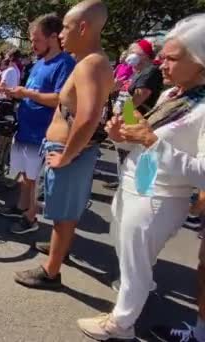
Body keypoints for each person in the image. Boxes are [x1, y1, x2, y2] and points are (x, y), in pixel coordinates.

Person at [76, 13, 205, 340]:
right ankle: (135, 297)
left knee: (135, 265)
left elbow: (201, 171)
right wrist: (121, 134)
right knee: (128, 251)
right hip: (141, 183)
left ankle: (120, 325)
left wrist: (150, 141)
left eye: (172, 59)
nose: (162, 65)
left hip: (162, 196)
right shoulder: (173, 95)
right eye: (162, 58)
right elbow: (144, 140)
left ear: (201, 64)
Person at [14, 0, 114, 289]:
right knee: (63, 213)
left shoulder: (91, 64)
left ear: (83, 27)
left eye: (66, 28)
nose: (60, 34)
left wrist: (67, 155)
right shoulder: (94, 61)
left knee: (62, 214)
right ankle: (59, 250)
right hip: (69, 150)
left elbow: (89, 116)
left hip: (68, 152)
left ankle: (51, 271)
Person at [0, 13, 76, 234]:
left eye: (36, 40)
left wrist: (27, 94)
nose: (32, 45)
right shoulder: (39, 63)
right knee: (26, 175)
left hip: (42, 132)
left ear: (53, 37)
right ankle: (22, 207)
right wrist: (16, 94)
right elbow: (32, 93)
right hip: (26, 128)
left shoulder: (65, 63)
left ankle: (30, 218)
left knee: (34, 177)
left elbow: (60, 98)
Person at [105, 39, 164, 190]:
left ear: (146, 55)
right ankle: (125, 184)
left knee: (132, 158)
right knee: (124, 157)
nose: (131, 55)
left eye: (135, 52)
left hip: (135, 122)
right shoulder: (138, 73)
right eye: (130, 52)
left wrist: (123, 118)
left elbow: (139, 97)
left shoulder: (150, 71)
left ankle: (135, 188)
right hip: (128, 120)